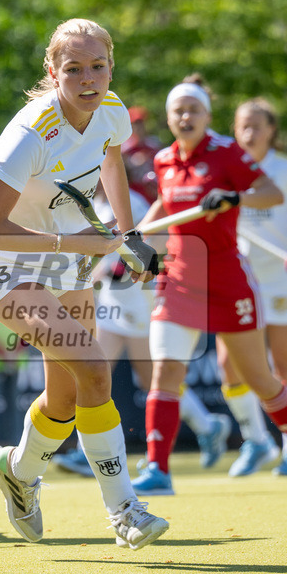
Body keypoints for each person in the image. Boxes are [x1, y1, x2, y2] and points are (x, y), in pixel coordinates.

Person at [0, 18, 169, 549]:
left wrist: (128, 234)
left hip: (68, 259)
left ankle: (17, 470)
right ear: (52, 71)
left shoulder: (110, 110)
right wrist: (70, 242)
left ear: (111, 67)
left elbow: (111, 159)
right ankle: (124, 510)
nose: (88, 79)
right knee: (95, 368)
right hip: (10, 266)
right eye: (74, 68)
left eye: (97, 66)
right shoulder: (29, 133)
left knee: (65, 398)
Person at [133, 75, 287, 495]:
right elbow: (165, 202)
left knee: (260, 378)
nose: (185, 117)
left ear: (207, 116)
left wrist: (235, 197)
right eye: (178, 111)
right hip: (178, 279)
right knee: (165, 370)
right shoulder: (164, 160)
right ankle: (158, 469)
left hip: (227, 281)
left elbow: (272, 193)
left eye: (193, 110)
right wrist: (139, 236)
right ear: (169, 118)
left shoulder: (226, 153)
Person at [52, 182, 231, 478]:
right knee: (89, 370)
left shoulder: (129, 201)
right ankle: (89, 454)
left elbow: (154, 240)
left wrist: (121, 268)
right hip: (113, 302)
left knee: (153, 380)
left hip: (139, 300)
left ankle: (207, 426)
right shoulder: (96, 204)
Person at [220, 97, 287, 478]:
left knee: (284, 366)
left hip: (283, 277)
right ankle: (256, 441)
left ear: (271, 130)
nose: (249, 132)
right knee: (228, 364)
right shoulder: (226, 166)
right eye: (243, 125)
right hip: (238, 279)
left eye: (257, 125)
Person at [121, 106, 162, 204]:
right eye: (135, 124)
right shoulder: (125, 148)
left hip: (153, 193)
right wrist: (131, 162)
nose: (139, 127)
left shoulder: (153, 144)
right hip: (134, 195)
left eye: (140, 123)